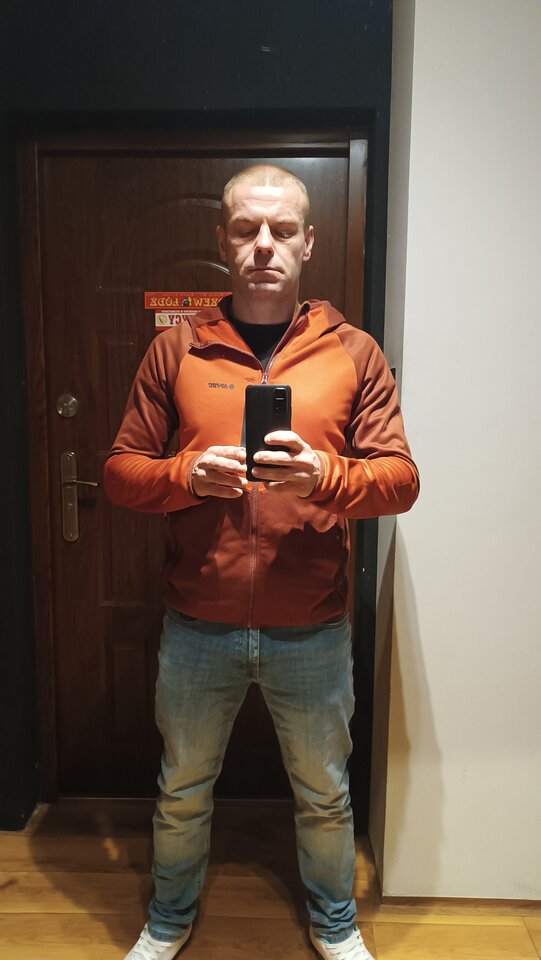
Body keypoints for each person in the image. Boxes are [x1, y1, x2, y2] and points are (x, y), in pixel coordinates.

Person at [104, 164, 419, 960]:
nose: (264, 245)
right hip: (197, 625)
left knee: (324, 795)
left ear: (309, 241)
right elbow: (119, 472)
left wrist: (324, 477)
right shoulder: (177, 349)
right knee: (182, 791)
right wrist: (185, 475)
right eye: (246, 229)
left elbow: (400, 480)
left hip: (311, 628)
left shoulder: (353, 353)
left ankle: (335, 925)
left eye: (281, 230)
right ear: (223, 242)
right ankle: (168, 920)